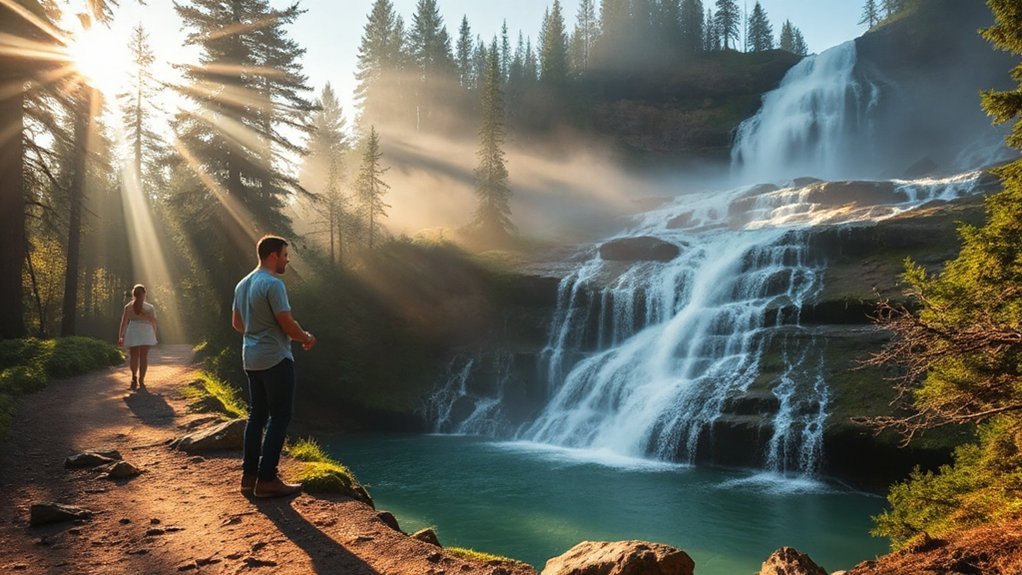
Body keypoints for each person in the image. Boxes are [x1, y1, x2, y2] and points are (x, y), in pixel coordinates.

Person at [232, 235, 316, 498]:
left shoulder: (242, 284)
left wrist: (256, 333)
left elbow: (237, 323)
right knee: (280, 416)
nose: (287, 260)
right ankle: (267, 480)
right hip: (275, 358)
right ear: (272, 256)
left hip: (251, 358)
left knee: (257, 415)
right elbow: (287, 324)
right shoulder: (273, 284)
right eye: (284, 255)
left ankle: (249, 477)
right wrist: (307, 338)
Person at [117, 284, 158, 391]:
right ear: (144, 294)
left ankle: (134, 377)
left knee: (134, 356)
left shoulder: (128, 307)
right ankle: (142, 379)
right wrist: (154, 333)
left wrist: (121, 336)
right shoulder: (150, 307)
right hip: (146, 331)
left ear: (133, 294)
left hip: (133, 331)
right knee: (144, 357)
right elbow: (154, 322)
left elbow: (124, 322)